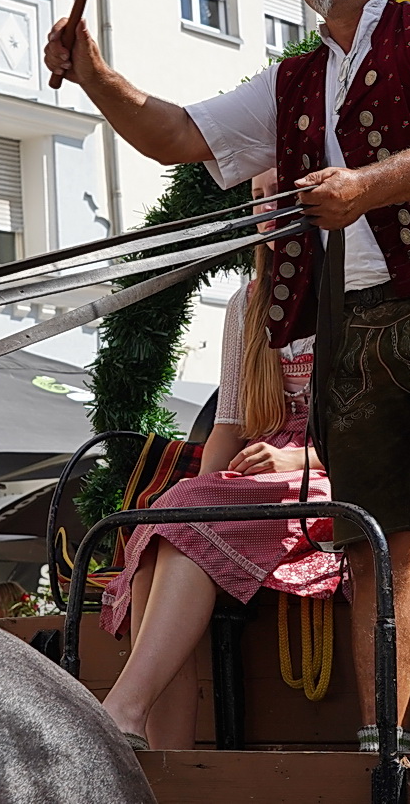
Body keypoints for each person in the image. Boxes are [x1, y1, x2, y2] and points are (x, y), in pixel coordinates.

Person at [45, 0, 410, 772]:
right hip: (358, 318)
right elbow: (174, 134)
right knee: (372, 541)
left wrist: (363, 185)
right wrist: (93, 73)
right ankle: (380, 753)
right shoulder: (292, 83)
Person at [97, 169, 337, 750]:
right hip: (260, 483)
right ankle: (165, 762)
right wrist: (191, 506)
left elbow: (384, 431)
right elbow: (229, 423)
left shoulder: (356, 289)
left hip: (339, 475)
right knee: (164, 531)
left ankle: (121, 713)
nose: (267, 208)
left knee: (182, 522)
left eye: (280, 193)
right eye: (256, 198)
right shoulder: (249, 303)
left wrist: (304, 460)